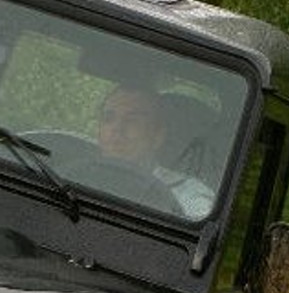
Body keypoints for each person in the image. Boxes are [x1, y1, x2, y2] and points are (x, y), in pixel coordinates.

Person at [93, 83, 217, 219]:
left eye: (132, 121)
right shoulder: (80, 176)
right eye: (108, 118)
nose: (117, 128)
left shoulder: (188, 196)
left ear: (158, 136)